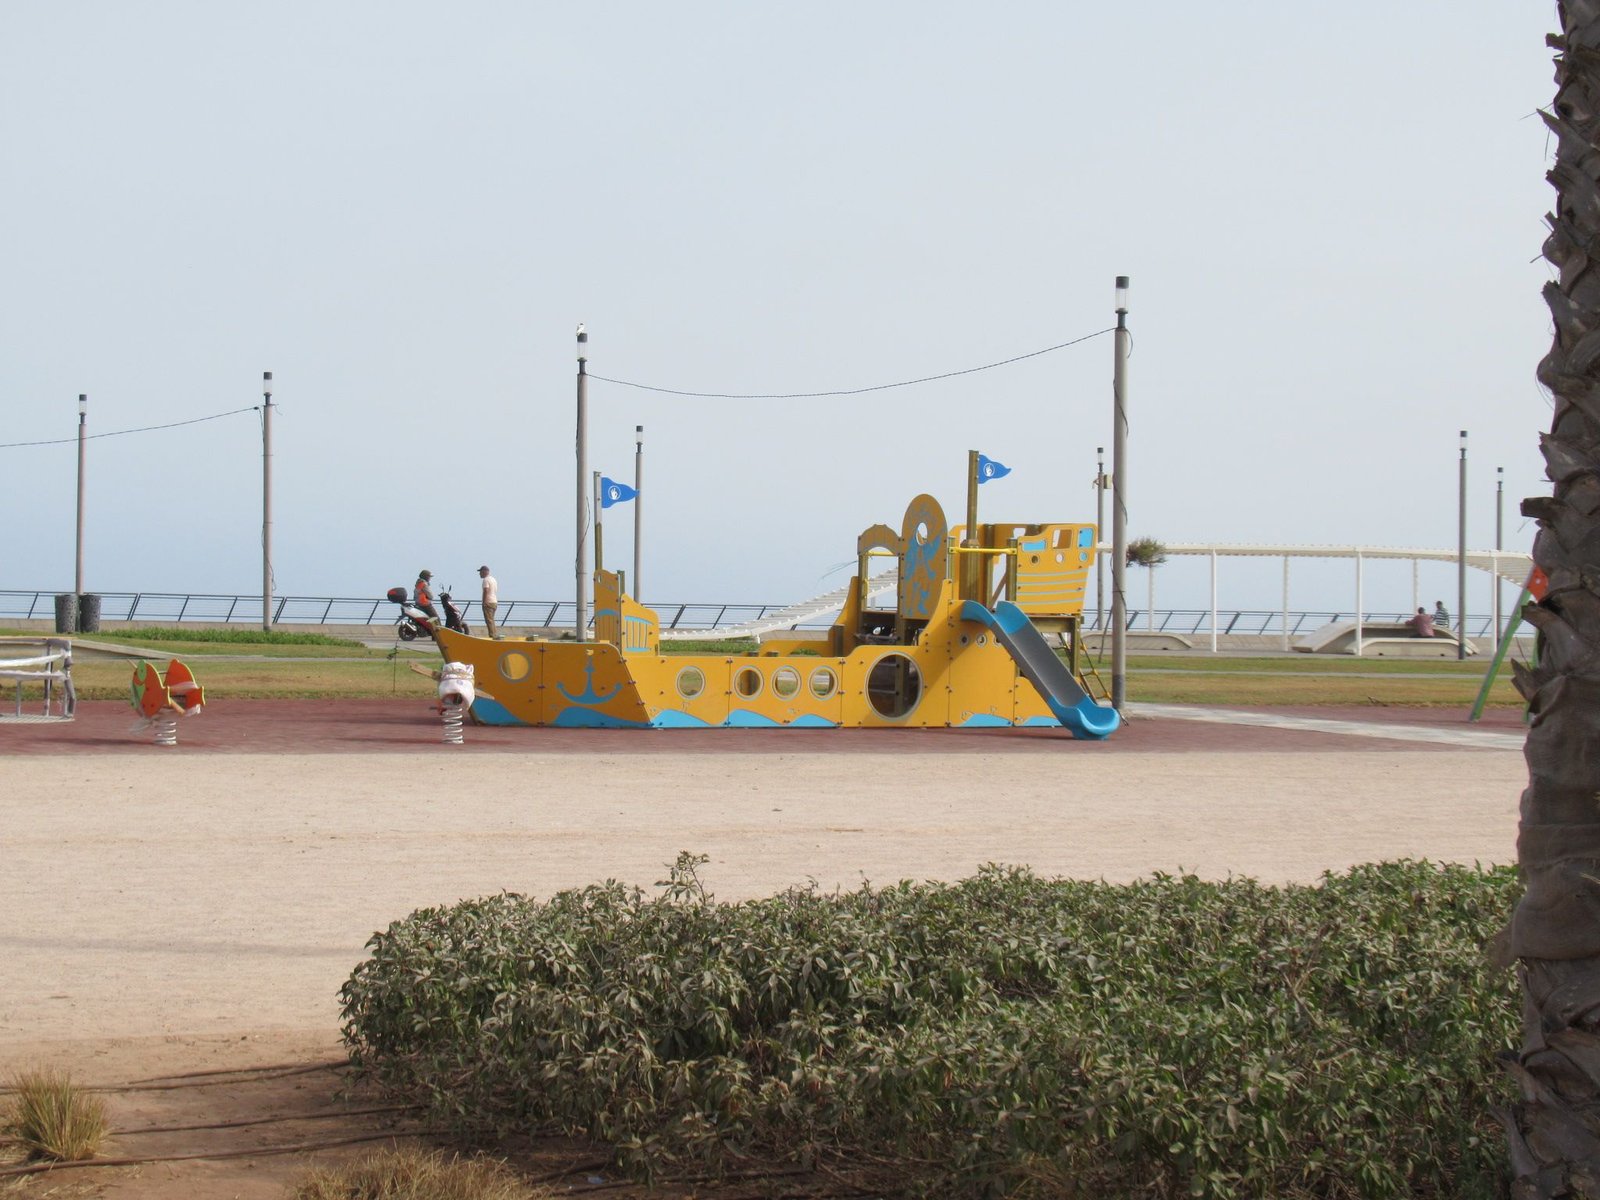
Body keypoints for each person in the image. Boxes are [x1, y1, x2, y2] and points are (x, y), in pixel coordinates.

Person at [478, 565, 499, 639]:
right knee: (492, 619)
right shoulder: (493, 579)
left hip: (488, 602)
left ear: (484, 572)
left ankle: (492, 635)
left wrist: (484, 601)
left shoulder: (486, 580)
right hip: (494, 601)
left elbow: (486, 590)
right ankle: (495, 634)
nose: (479, 574)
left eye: (480, 572)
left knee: (489, 620)